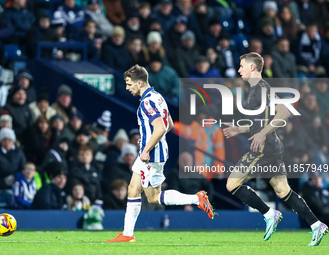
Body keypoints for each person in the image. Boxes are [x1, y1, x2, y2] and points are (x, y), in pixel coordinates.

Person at [223, 52, 328, 246]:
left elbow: (284, 112)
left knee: (232, 184)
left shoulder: (262, 88)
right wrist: (241, 129)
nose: (239, 70)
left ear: (252, 68)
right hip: (271, 145)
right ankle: (316, 225)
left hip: (264, 147)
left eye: (242, 66)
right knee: (282, 190)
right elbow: (260, 123)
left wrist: (262, 134)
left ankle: (269, 214)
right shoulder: (257, 89)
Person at [106, 65, 214, 243]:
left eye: (129, 84)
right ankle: (127, 234)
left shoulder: (147, 101)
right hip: (152, 151)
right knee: (133, 189)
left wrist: (147, 148)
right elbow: (170, 124)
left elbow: (161, 127)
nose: (127, 87)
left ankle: (197, 198)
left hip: (152, 155)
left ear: (139, 83)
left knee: (154, 197)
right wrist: (148, 140)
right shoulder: (157, 96)